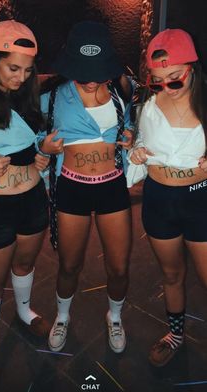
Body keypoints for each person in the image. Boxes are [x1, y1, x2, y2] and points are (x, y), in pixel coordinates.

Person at [0, 19, 63, 387]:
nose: (21, 77)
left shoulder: (28, 96)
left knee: (25, 265)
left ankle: (24, 312)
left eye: (28, 70)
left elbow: (31, 145)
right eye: (13, 67)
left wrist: (42, 153)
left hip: (32, 202)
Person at [40, 21, 135, 354]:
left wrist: (130, 138)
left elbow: (131, 132)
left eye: (96, 70)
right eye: (83, 72)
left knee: (120, 266)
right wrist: (43, 149)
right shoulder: (52, 98)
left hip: (112, 187)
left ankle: (115, 316)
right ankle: (62, 316)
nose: (91, 78)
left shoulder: (123, 92)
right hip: (71, 188)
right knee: (69, 264)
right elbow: (35, 138)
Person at [127, 28, 207, 367]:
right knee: (171, 275)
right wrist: (135, 154)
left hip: (200, 200)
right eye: (158, 81)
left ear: (193, 69)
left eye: (175, 80)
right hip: (159, 200)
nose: (167, 89)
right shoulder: (148, 107)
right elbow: (141, 145)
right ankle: (175, 335)